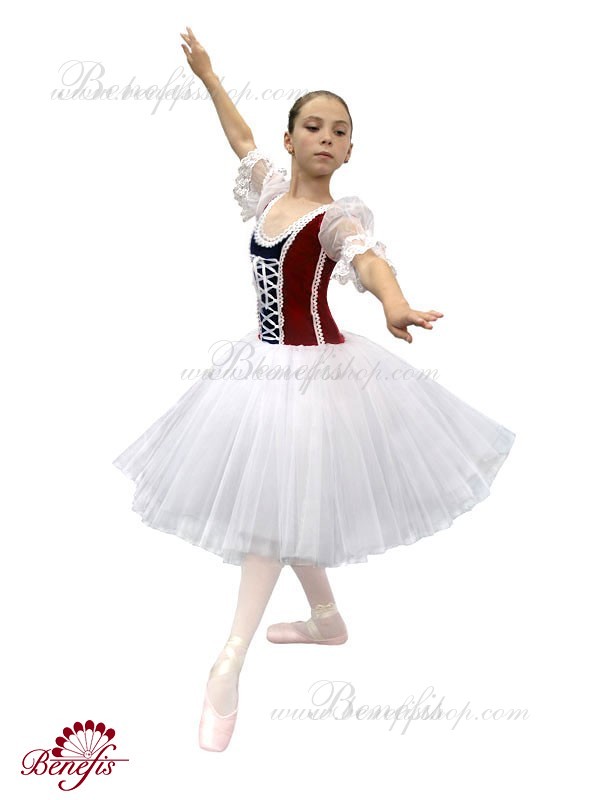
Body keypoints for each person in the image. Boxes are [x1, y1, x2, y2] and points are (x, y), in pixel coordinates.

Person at [112, 26, 517, 752]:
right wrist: (209, 78)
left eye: (340, 131)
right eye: (313, 127)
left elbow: (369, 264)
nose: (326, 138)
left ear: (351, 150)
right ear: (291, 139)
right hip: (262, 369)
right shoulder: (270, 193)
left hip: (320, 377)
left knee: (274, 511)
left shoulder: (338, 219)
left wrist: (395, 303)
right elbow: (241, 140)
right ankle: (326, 621)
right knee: (286, 498)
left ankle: (228, 662)